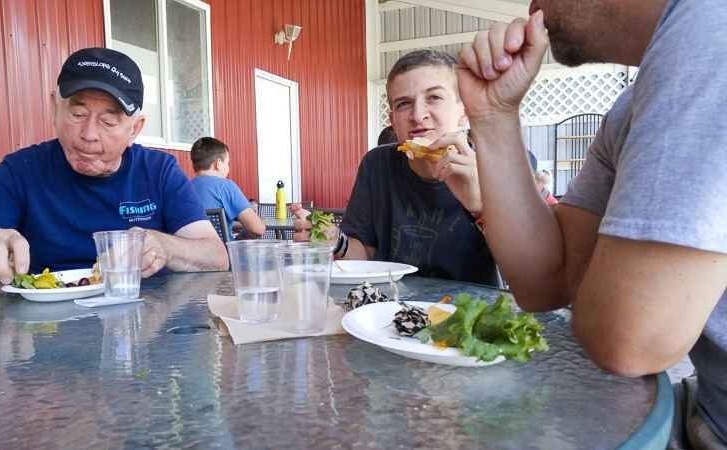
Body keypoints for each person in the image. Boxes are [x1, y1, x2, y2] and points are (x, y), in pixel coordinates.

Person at [457, 0, 727, 447]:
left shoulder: (712, 24)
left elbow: (629, 340)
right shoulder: (630, 105)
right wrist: (494, 116)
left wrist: (607, 290)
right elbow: (545, 283)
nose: (530, 4)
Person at [0, 47, 228, 294]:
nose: (89, 134)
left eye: (108, 121)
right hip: (44, 333)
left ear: (135, 129)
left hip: (143, 328)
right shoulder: (21, 170)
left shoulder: (159, 171)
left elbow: (216, 255)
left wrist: (166, 246)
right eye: (77, 113)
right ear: (54, 110)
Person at [292, 49, 499, 286]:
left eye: (434, 97)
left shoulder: (495, 167)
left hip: (472, 306)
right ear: (393, 121)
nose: (418, 115)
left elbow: (525, 270)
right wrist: (334, 241)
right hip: (390, 303)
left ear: (464, 112)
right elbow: (365, 254)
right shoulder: (377, 165)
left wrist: (482, 207)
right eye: (404, 103)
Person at [190, 137, 265, 240]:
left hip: (189, 249)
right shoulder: (224, 186)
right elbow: (258, 229)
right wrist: (238, 239)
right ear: (218, 163)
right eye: (227, 163)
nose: (228, 167)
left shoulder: (183, 189)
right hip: (222, 249)